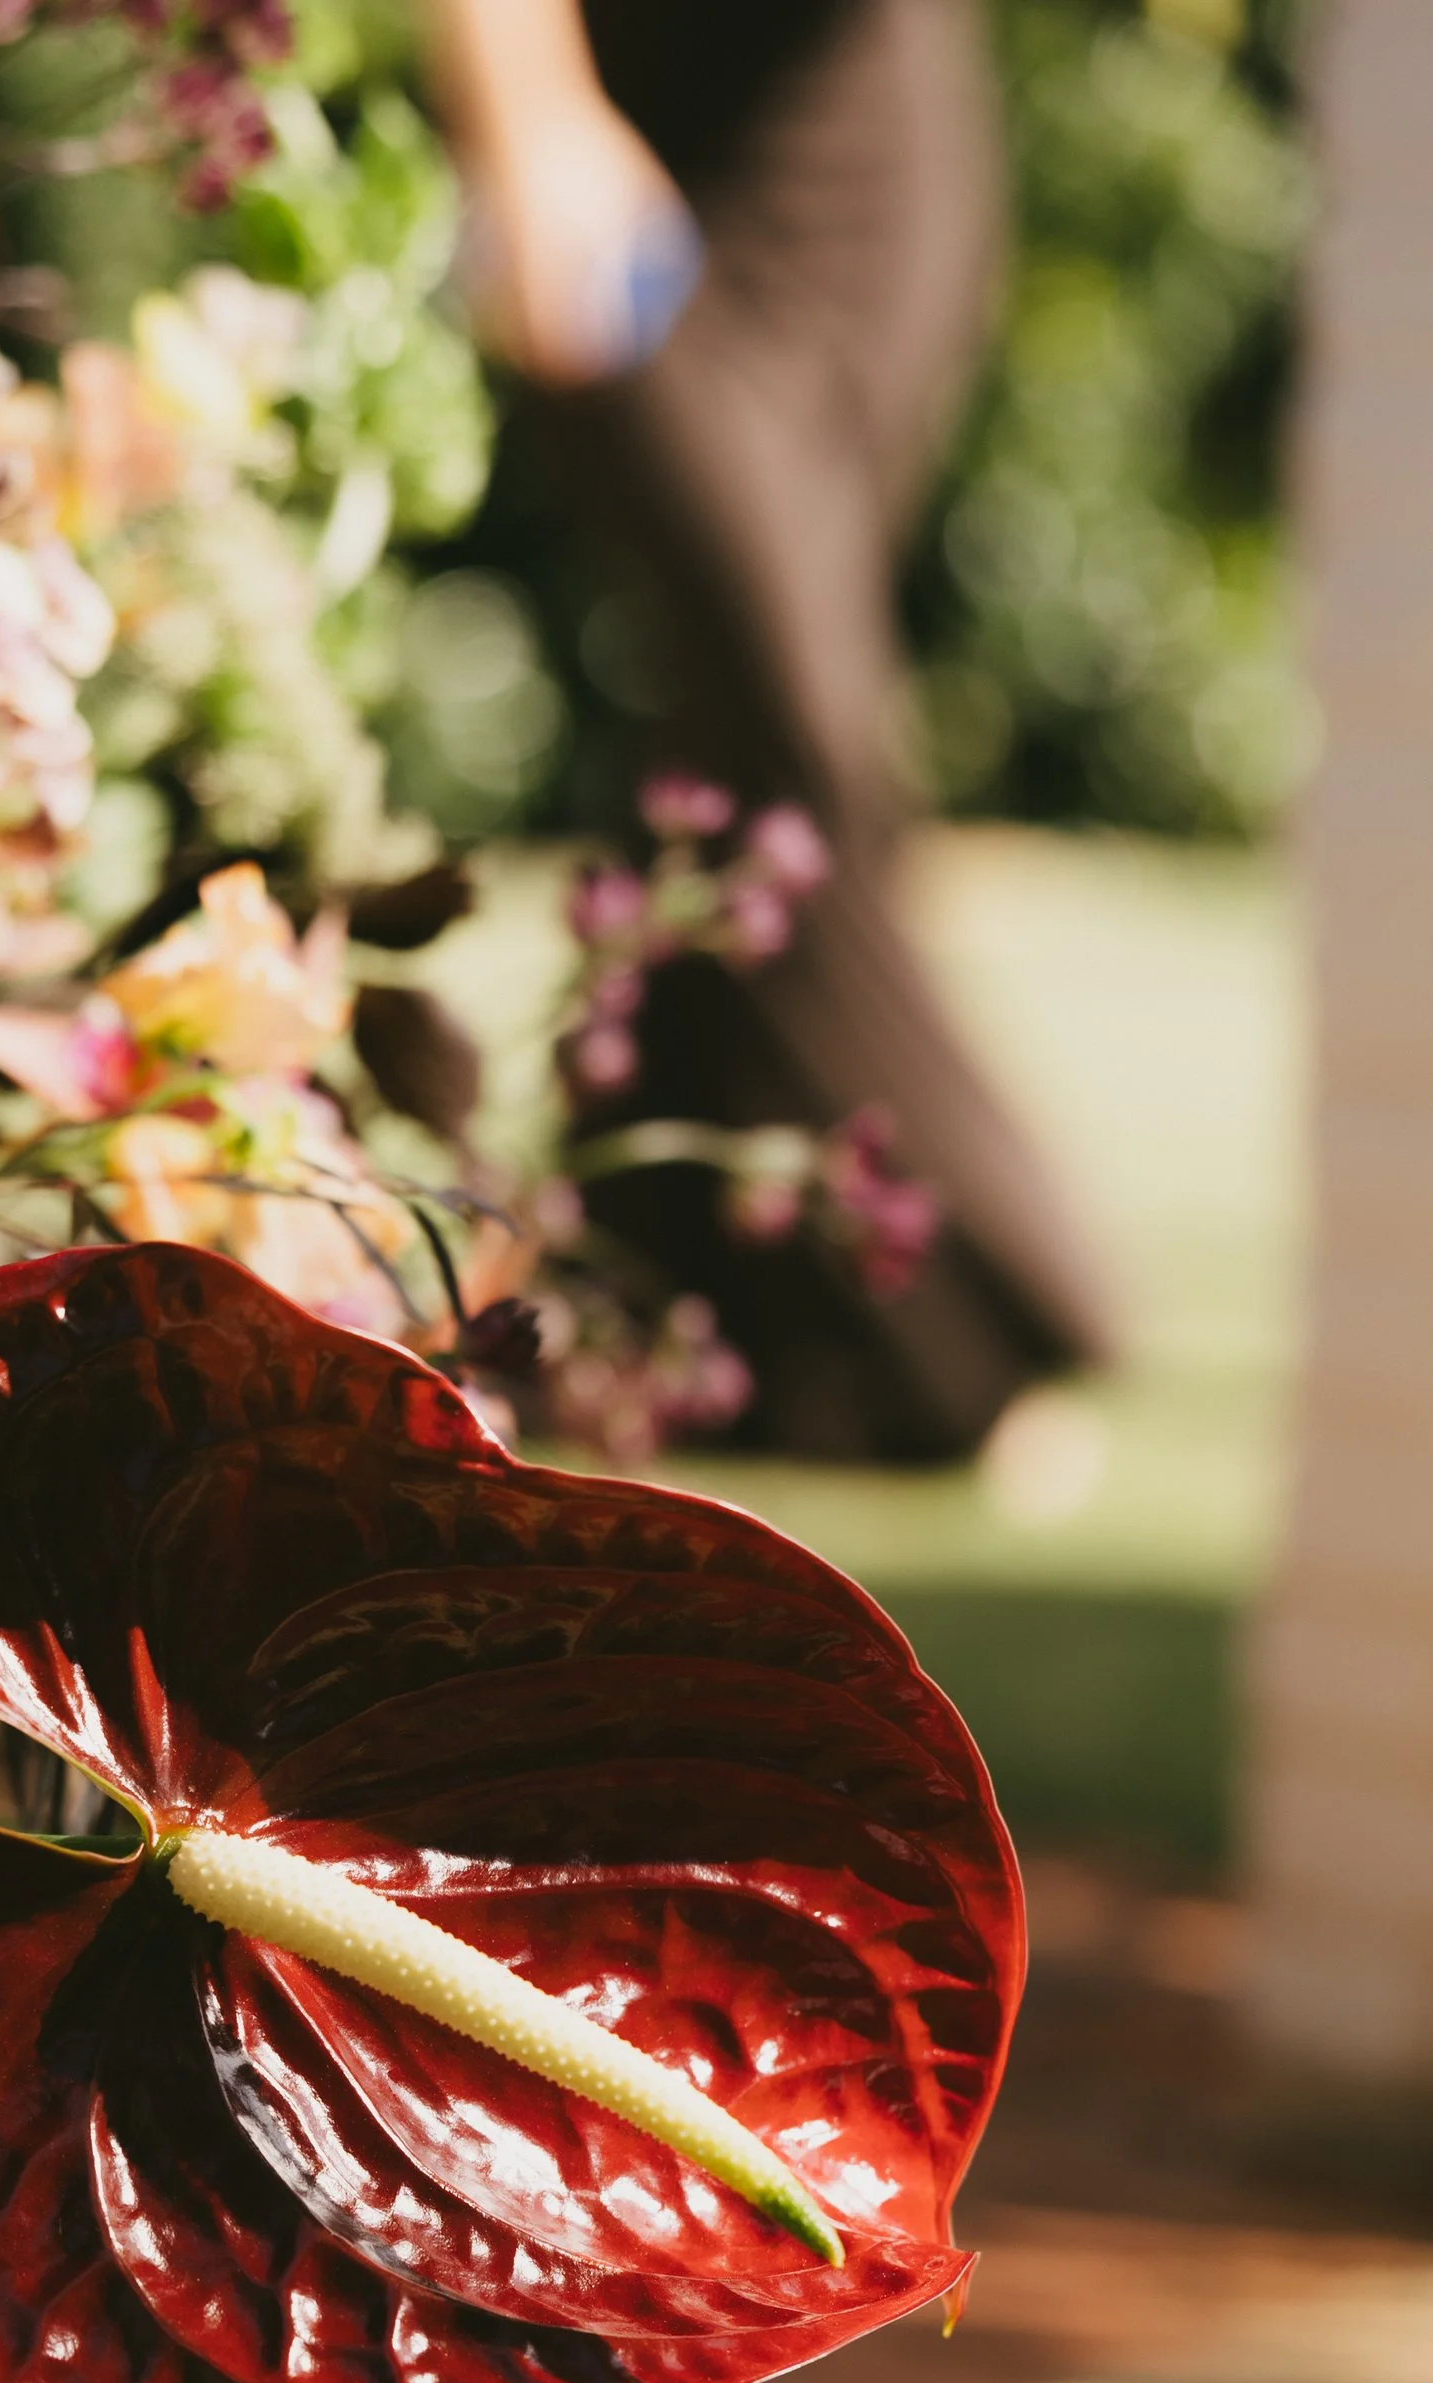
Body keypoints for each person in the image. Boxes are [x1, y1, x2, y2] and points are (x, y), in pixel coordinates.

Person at [431, 0, 1112, 1462]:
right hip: (617, 134)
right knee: (791, 719)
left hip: (861, 130)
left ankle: (684, 1319)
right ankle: (974, 1311)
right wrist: (525, 103)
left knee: (736, 747)